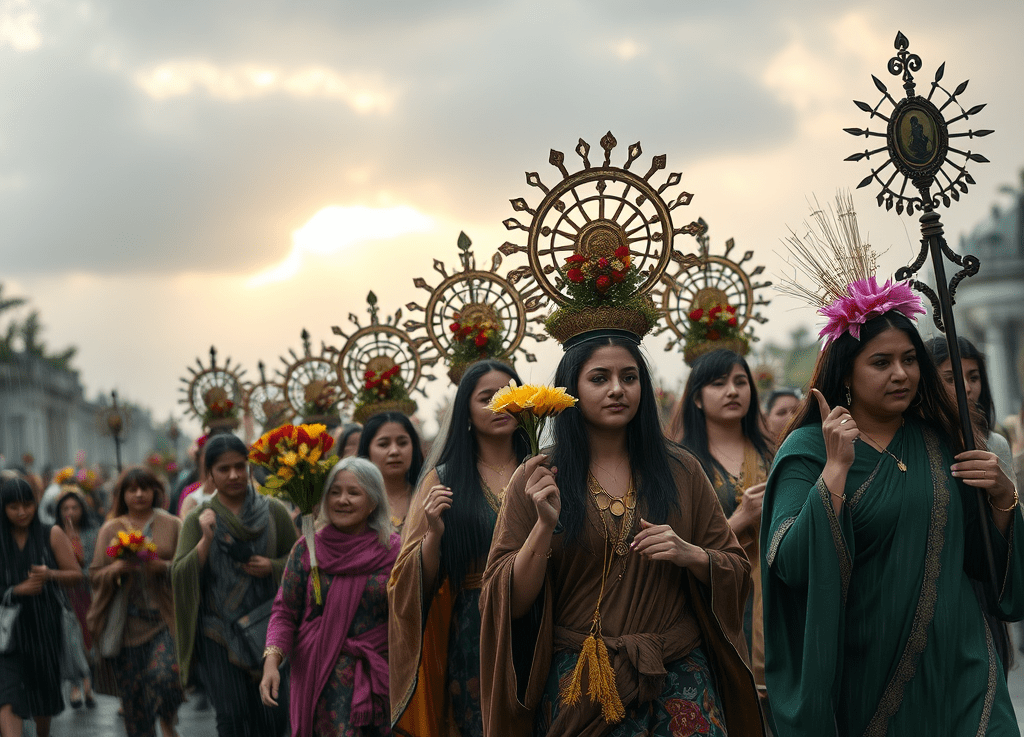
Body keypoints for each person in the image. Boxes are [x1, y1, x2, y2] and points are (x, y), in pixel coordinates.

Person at [480, 336, 762, 737]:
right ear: (570, 388)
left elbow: (735, 568)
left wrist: (691, 554)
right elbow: (506, 601)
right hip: (582, 677)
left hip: (678, 669)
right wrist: (544, 526)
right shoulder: (539, 476)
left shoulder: (682, 469)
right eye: (599, 378)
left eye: (629, 377)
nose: (617, 389)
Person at [762, 310, 1024, 735]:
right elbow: (791, 564)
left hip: (965, 664)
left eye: (909, 359)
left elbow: (982, 559)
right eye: (881, 363)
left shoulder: (942, 438)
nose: (901, 374)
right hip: (870, 671)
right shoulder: (808, 448)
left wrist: (1001, 497)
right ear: (847, 373)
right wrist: (834, 471)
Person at [390, 360, 530, 735]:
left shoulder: (544, 468)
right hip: (475, 628)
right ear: (465, 410)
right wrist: (434, 534)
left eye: (510, 395)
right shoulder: (445, 478)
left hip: (542, 616)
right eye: (487, 398)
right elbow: (412, 578)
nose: (501, 405)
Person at [260, 457, 399, 736]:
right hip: (319, 678)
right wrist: (272, 662)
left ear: (373, 501)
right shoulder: (307, 548)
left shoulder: (393, 550)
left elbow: (408, 612)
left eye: (353, 492)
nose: (342, 500)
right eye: (335, 492)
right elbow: (285, 611)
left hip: (379, 676)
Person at [171, 434, 297, 737]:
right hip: (218, 632)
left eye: (240, 466)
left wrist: (273, 566)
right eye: (224, 469)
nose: (234, 475)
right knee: (232, 716)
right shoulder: (199, 518)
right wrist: (206, 540)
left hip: (269, 627)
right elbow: (179, 574)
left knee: (273, 716)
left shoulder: (273, 511)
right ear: (209, 474)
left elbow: (298, 565)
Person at [668, 349, 774, 705]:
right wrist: (740, 519)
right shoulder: (681, 464)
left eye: (740, 382)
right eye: (719, 383)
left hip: (777, 592)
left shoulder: (775, 452)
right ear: (697, 398)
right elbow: (679, 545)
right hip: (716, 599)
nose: (732, 391)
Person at [86, 468, 184, 737]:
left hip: (164, 620)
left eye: (145, 488)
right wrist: (116, 570)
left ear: (156, 492)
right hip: (125, 628)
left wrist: (161, 567)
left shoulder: (172, 524)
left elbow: (187, 569)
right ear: (122, 495)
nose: (139, 494)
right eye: (132, 489)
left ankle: (167, 718)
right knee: (135, 712)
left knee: (165, 678)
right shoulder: (111, 529)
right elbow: (94, 576)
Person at [0, 477, 83, 737]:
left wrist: (50, 575)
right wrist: (15, 591)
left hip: (44, 627)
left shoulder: (51, 533)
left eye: (27, 505)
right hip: (7, 634)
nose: (22, 512)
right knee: (8, 694)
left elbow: (76, 575)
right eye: (14, 507)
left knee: (43, 696)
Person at [56, 490, 98, 708]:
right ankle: (75, 684)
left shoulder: (92, 533)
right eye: (65, 508)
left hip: (89, 593)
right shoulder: (55, 534)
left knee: (88, 639)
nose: (70, 512)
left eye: (75, 507)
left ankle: (87, 681)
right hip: (66, 596)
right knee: (71, 640)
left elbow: (95, 563)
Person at [357, 413, 423, 536]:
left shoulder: (428, 498)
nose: (394, 451)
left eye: (402, 443)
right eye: (383, 444)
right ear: (367, 450)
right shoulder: (356, 501)